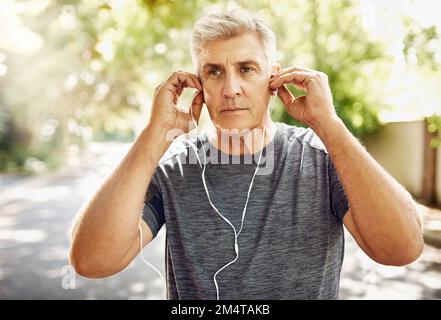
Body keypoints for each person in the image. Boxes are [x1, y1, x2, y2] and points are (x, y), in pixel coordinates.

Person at [69, 9, 424, 300]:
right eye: (214, 72)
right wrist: (153, 136)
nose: (231, 89)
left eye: (246, 69)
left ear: (274, 79)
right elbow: (91, 261)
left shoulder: (320, 158)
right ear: (199, 86)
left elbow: (402, 249)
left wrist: (329, 125)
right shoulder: (174, 169)